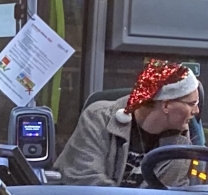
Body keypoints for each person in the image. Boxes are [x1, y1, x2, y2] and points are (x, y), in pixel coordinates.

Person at [53, 59, 200, 187]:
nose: (196, 110)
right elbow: (84, 181)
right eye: (192, 103)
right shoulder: (98, 117)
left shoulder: (182, 140)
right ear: (166, 105)